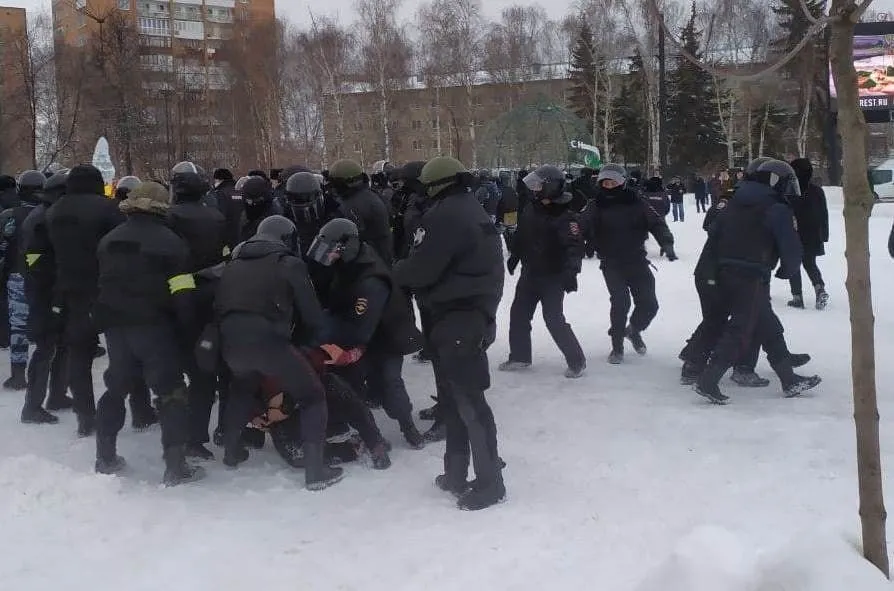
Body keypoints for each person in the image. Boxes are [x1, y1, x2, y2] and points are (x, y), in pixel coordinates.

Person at [393, 156, 505, 511]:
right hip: (468, 315)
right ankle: (455, 473)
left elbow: (421, 269)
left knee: (469, 404)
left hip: (458, 317)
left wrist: (395, 270)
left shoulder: (444, 215)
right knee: (456, 401)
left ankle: (491, 484)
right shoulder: (469, 208)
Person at [215, 215, 344, 491]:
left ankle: (231, 453)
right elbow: (313, 317)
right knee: (312, 396)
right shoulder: (289, 264)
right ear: (289, 240)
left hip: (231, 343)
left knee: (241, 390)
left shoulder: (233, 264)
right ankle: (315, 471)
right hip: (270, 343)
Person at [93, 182, 205, 485]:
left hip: (116, 327)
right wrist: (188, 331)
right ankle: (176, 466)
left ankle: (105, 456)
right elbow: (183, 293)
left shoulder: (109, 239)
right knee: (171, 392)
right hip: (155, 328)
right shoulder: (171, 243)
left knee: (116, 387)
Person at [694, 160, 821, 404]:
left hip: (724, 272)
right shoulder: (776, 208)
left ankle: (789, 380)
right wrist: (788, 270)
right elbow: (791, 247)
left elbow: (714, 232)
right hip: (752, 275)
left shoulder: (734, 201)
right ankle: (708, 379)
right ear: (776, 182)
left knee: (768, 325)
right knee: (740, 329)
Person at [307, 218, 426, 449]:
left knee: (390, 385)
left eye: (333, 252)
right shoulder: (350, 263)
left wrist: (337, 344)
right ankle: (368, 431)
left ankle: (408, 426)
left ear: (347, 248)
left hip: (386, 338)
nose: (330, 257)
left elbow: (361, 327)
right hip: (361, 331)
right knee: (349, 384)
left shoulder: (371, 281)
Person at [46, 164, 125, 437]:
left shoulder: (55, 210)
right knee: (120, 352)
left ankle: (85, 415)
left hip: (70, 289)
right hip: (106, 288)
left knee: (78, 354)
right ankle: (122, 409)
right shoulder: (108, 208)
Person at [500, 165, 587, 378]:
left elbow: (574, 247)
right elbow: (523, 235)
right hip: (530, 273)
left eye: (538, 186)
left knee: (553, 318)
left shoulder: (566, 216)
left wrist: (571, 271)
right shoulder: (531, 208)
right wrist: (515, 256)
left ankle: (577, 360)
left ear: (551, 187)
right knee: (519, 315)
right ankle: (520, 356)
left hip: (553, 276)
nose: (534, 190)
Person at [584, 164, 675, 364]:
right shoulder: (596, 205)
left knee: (649, 303)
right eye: (605, 183)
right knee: (620, 302)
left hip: (637, 260)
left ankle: (633, 330)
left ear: (623, 182)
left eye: (613, 182)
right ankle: (617, 346)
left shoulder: (637, 202)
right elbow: (581, 225)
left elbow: (657, 223)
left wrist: (667, 243)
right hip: (611, 263)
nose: (609, 186)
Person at [167, 164, 228, 460]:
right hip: (212, 294)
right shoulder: (217, 216)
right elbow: (225, 253)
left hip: (177, 294)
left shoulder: (170, 217)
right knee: (209, 369)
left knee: (179, 371)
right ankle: (202, 435)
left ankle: (180, 434)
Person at [20, 169, 72, 424]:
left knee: (61, 344)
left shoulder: (45, 214)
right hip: (45, 293)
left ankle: (57, 395)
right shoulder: (44, 219)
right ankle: (32, 407)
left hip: (49, 291)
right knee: (45, 348)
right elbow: (35, 260)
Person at [1, 170, 44, 390]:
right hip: (46, 277)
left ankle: (18, 375)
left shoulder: (9, 216)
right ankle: (47, 374)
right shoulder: (50, 214)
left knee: (18, 327)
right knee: (47, 324)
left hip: (18, 274)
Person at [326, 159, 393, 264]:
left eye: (335, 184)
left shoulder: (358, 204)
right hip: (376, 258)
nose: (332, 188)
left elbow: (350, 237)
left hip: (370, 262)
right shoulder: (367, 196)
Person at [787, 158, 830, 310]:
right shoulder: (817, 190)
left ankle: (797, 297)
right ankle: (819, 288)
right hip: (813, 234)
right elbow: (824, 214)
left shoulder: (790, 190)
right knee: (810, 263)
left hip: (794, 233)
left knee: (793, 264)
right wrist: (824, 234)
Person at [239, 175, 281, 241]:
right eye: (247, 200)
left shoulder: (273, 215)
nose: (249, 203)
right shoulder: (244, 212)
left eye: (250, 200)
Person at [208, 168, 241, 250]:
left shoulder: (220, 193)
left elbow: (220, 215)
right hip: (241, 232)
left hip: (226, 235)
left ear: (220, 179)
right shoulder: (239, 191)